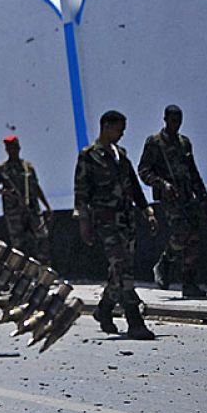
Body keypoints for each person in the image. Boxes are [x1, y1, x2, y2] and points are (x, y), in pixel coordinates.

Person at [75, 111, 156, 340]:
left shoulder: (121, 155)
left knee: (119, 270)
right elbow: (81, 192)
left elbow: (134, 186)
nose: (122, 134)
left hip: (126, 220)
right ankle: (134, 321)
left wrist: (147, 211)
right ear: (106, 126)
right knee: (122, 268)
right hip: (105, 221)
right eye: (119, 128)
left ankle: (104, 308)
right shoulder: (89, 156)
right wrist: (84, 223)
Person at [137, 104, 207, 297]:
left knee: (193, 238)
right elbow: (143, 170)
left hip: (187, 195)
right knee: (181, 233)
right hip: (169, 197)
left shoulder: (184, 142)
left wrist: (202, 194)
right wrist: (162, 184)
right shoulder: (155, 142)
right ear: (165, 119)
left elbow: (192, 170)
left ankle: (189, 283)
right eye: (173, 120)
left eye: (179, 120)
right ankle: (164, 263)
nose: (176, 124)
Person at [0, 135, 53, 263]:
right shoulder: (3, 169)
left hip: (32, 209)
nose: (13, 150)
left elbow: (36, 187)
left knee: (42, 239)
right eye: (10, 148)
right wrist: (4, 192)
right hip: (14, 212)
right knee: (19, 245)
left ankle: (45, 272)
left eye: (15, 147)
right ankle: (20, 274)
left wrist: (47, 206)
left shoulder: (28, 167)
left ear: (19, 148)